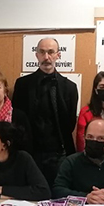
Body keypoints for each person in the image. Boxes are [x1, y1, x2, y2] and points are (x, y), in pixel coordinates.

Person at [12, 38, 78, 186]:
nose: (46, 57)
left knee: (59, 194)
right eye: (42, 52)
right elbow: (18, 120)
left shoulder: (70, 87)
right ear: (36, 55)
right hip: (30, 154)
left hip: (59, 154)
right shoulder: (22, 85)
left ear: (58, 55)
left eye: (50, 52)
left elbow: (70, 123)